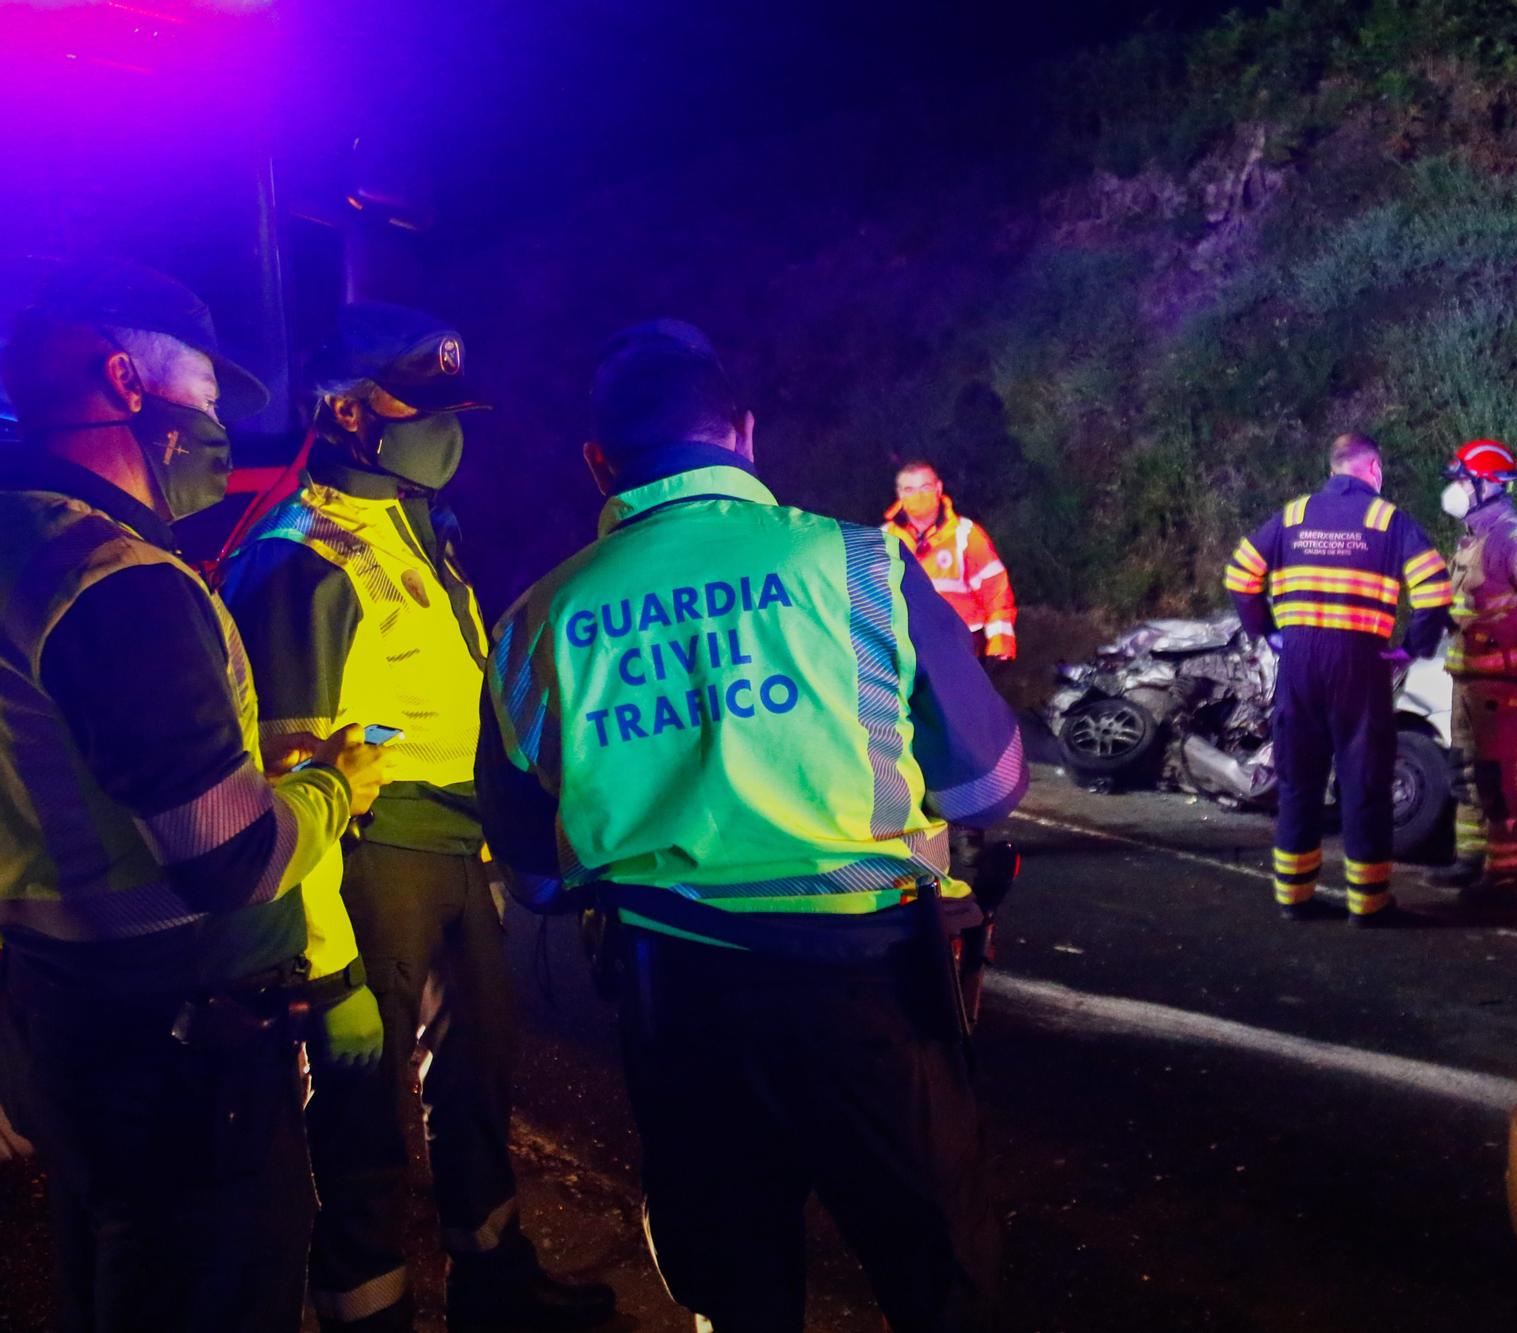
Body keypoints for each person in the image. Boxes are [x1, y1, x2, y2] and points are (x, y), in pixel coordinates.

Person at [479, 320, 1027, 1332]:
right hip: (871, 989)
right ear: (743, 432)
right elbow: (989, 783)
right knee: (935, 1277)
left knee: (732, 1291)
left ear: (598, 461)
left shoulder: (533, 620)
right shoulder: (862, 564)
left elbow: (534, 877)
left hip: (674, 1002)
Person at [0, 259, 388, 1331]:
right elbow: (228, 861)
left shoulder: (16, 534)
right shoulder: (112, 577)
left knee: (115, 1274)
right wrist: (327, 787)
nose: (218, 439)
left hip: (62, 1013)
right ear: (127, 382)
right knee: (201, 1284)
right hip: (172, 1045)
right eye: (209, 406)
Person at [219, 303, 615, 1333]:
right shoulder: (300, 556)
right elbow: (283, 775)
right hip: (367, 857)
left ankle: (493, 1277)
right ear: (347, 414)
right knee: (359, 1106)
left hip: (446, 844)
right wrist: (324, 966)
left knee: (478, 1072)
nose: (450, 430)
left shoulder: (414, 523)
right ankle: (365, 1303)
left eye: (453, 406)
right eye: (423, 406)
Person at [1225, 432, 1452, 922]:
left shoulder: (1293, 516)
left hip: (1300, 662)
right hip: (1360, 662)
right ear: (1372, 468)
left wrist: (1265, 630)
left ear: (1333, 468)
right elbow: (1434, 590)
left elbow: (1240, 575)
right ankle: (1368, 905)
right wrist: (1414, 648)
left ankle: (1293, 897)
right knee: (1365, 780)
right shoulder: (1386, 519)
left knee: (1298, 778)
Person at [1427, 439, 1517, 899]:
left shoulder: (1514, 537)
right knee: (1464, 769)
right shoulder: (1476, 537)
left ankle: (1505, 871)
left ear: (1489, 484)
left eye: (1463, 480)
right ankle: (1471, 857)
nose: (1456, 489)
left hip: (1499, 681)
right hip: (1468, 676)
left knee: (1496, 774)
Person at [885, 460, 1017, 664]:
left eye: (925, 487)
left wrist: (999, 644)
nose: (918, 496)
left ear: (938, 488)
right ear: (900, 494)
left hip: (963, 646)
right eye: (909, 489)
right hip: (910, 653)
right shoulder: (882, 540)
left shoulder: (965, 535)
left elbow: (996, 591)